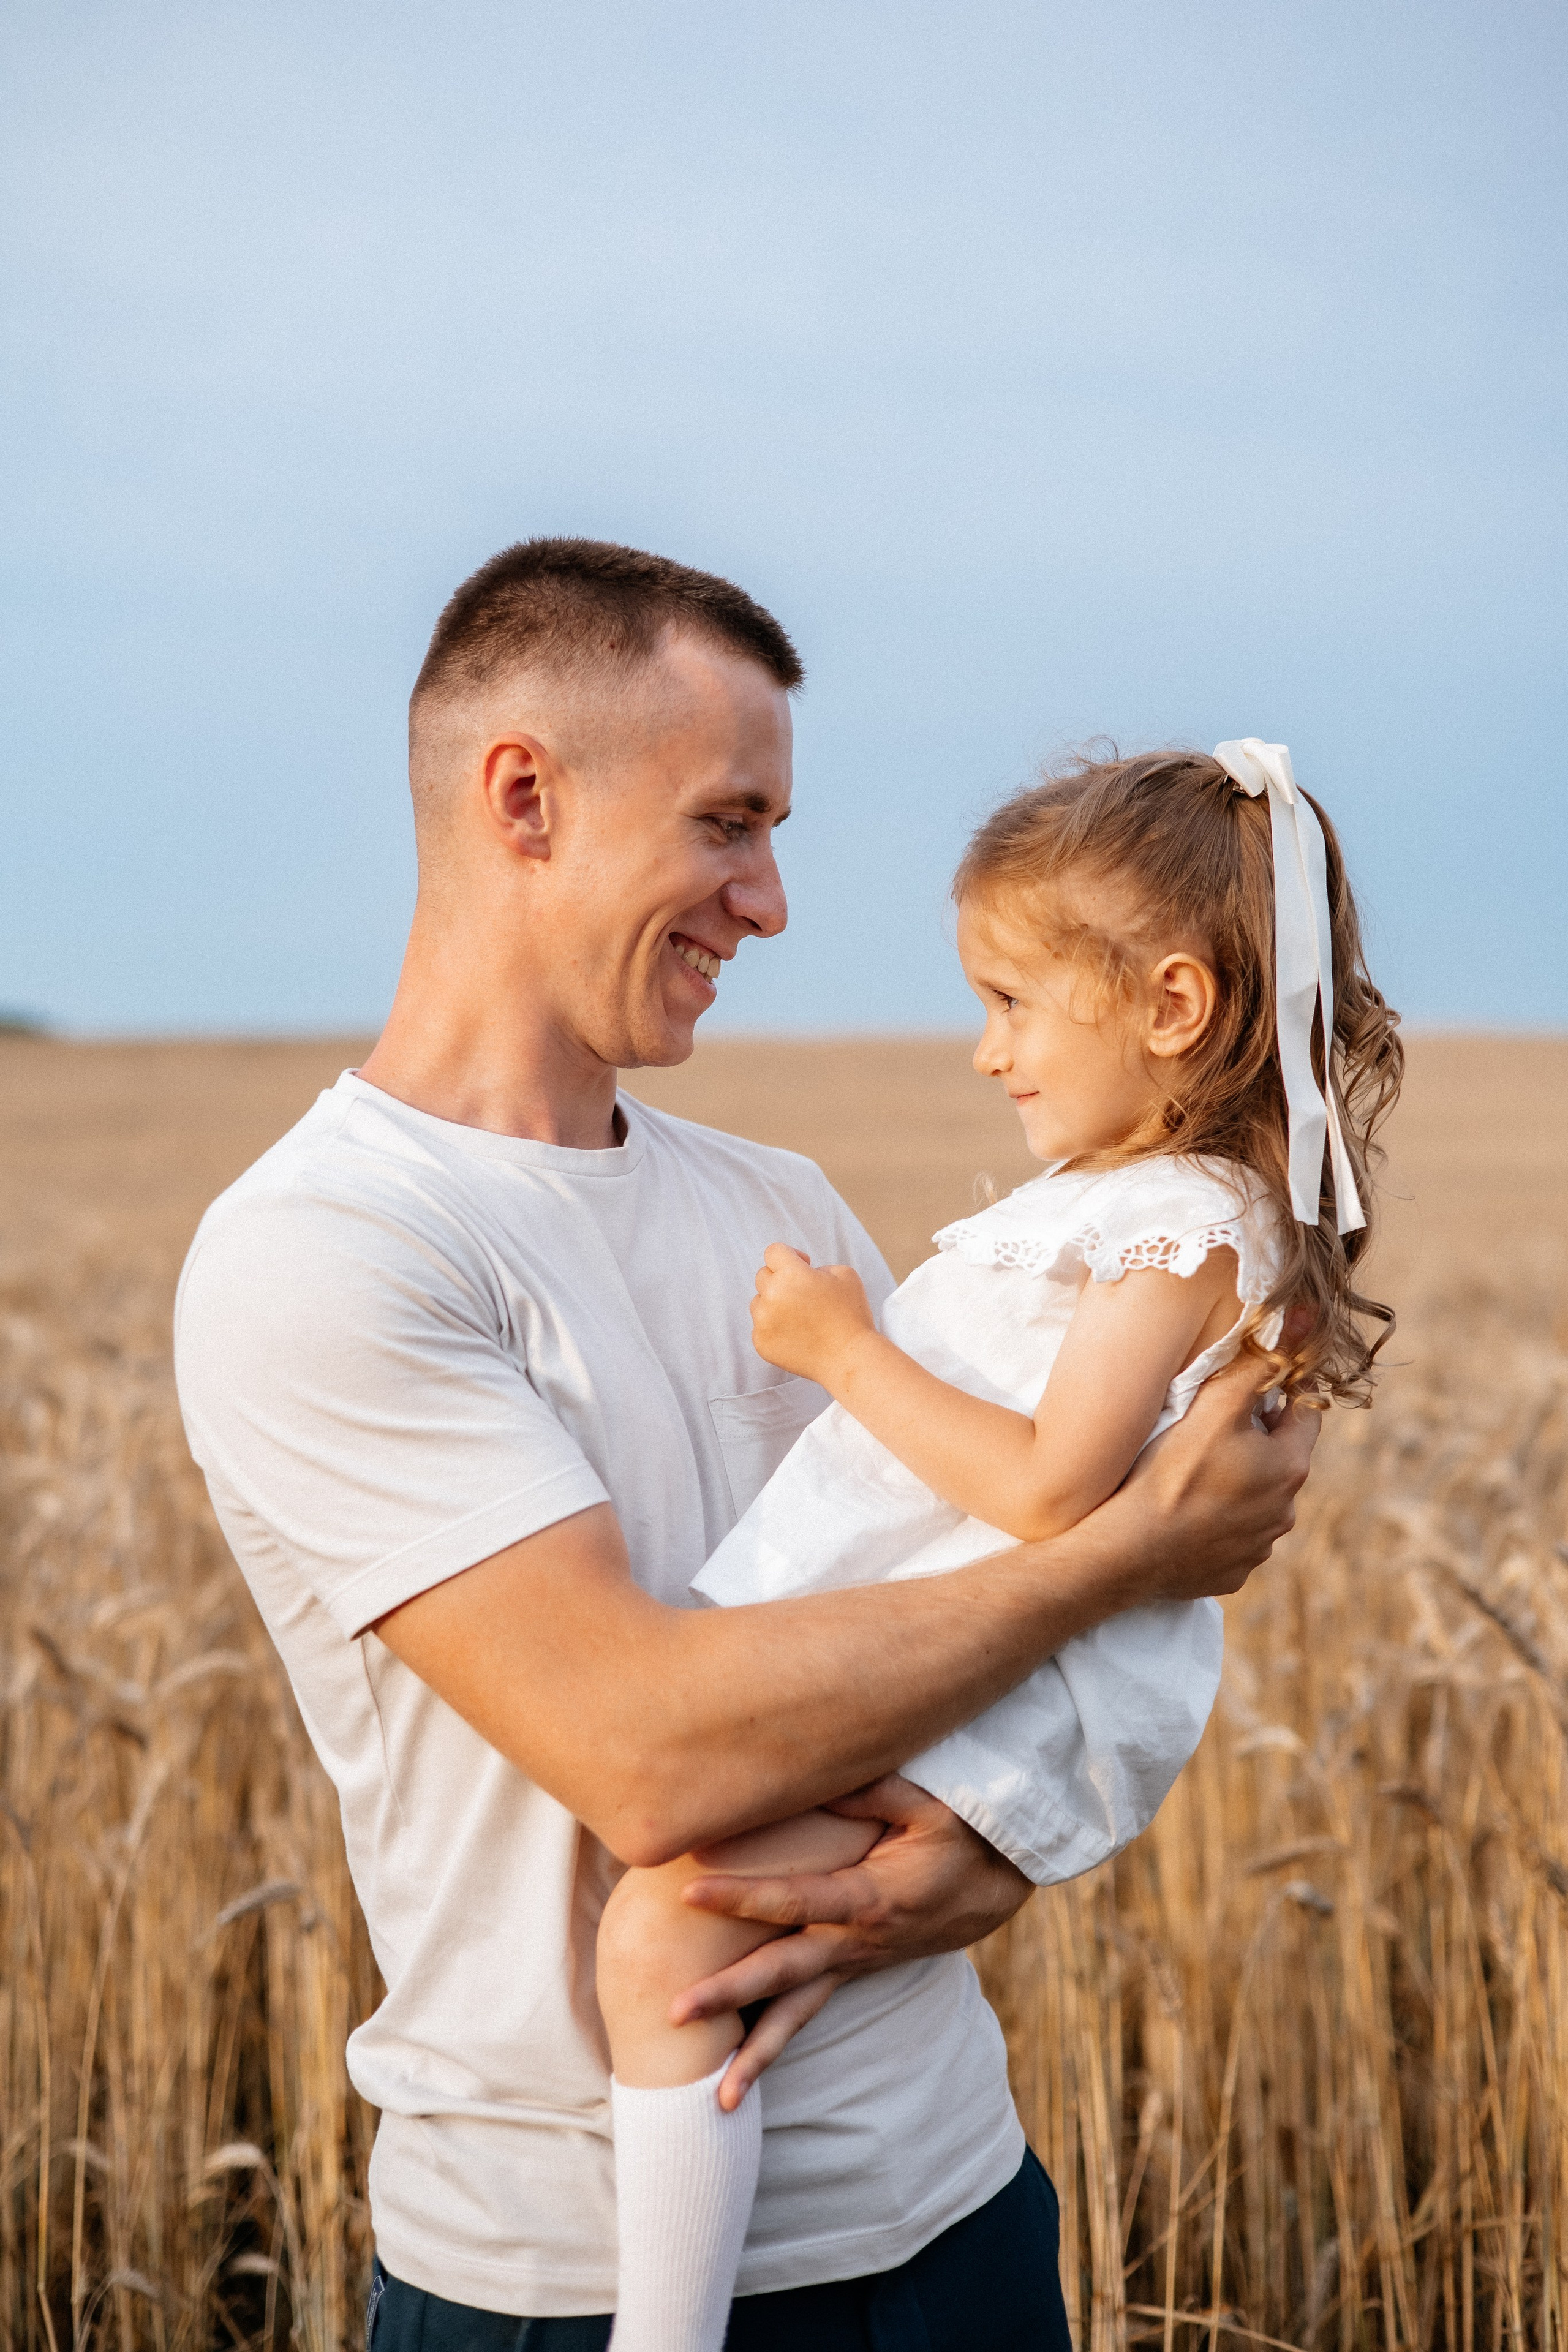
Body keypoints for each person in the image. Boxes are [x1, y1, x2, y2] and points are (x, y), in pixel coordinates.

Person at [173, 541, 1319, 2351]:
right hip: (577, 2280)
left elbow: (1010, 1595)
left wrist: (1001, 1859)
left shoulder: (779, 1206)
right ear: (525, 798)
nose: (771, 901)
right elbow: (647, 1755)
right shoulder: (327, 1251)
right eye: (730, 822)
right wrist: (1135, 1547)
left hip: (959, 2212)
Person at [595, 741, 1402, 2349]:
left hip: (995, 1693)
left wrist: (844, 1352)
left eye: (1015, 1004)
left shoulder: (1183, 1229)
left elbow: (1050, 1493)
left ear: (1171, 1009)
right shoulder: (1135, 1203)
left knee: (660, 1934)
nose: (987, 1054)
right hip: (954, 1660)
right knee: (691, 1924)